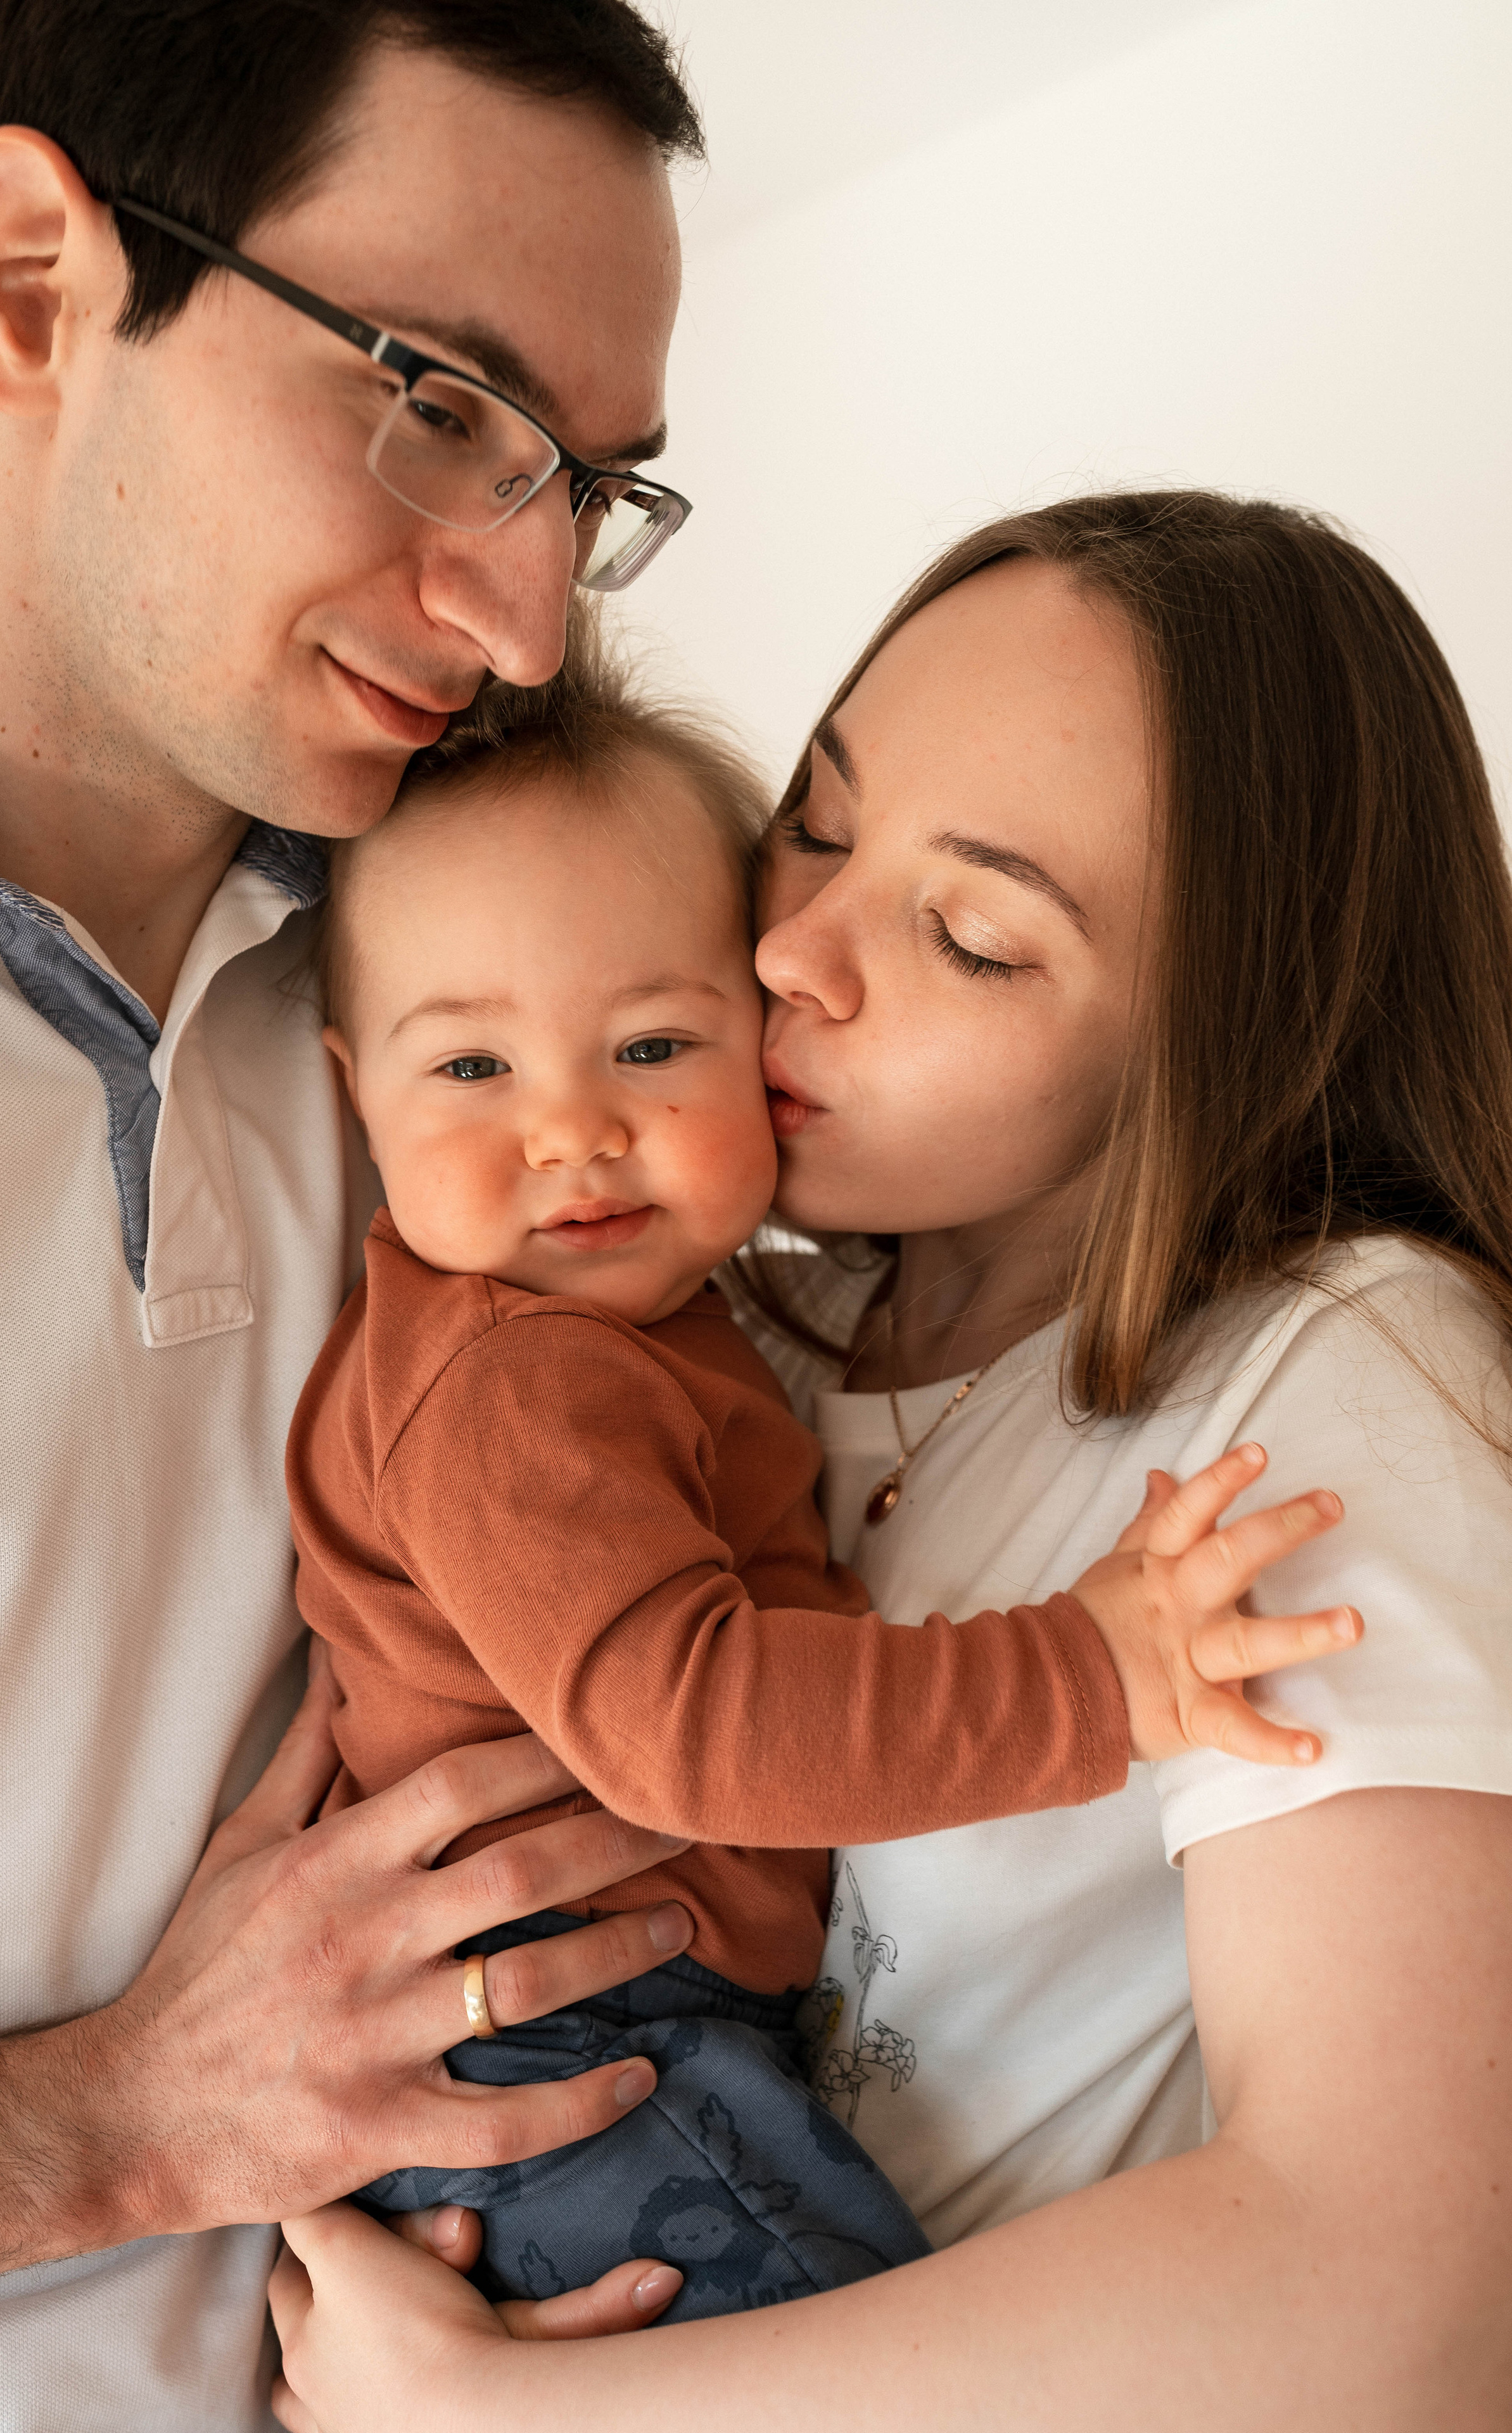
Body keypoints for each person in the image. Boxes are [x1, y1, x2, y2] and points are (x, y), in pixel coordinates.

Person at [268, 492, 1512, 2430]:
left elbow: (1406, 2308)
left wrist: (504, 2418)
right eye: (820, 826)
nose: (793, 956)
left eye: (969, 933)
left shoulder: (1337, 1377)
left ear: (1224, 1039)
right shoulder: (709, 1327)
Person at [0, 4, 720, 2423]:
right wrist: (112, 2124)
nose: (532, 622)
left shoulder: (487, 1004)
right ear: (32, 279)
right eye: (438, 406)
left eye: (588, 484)